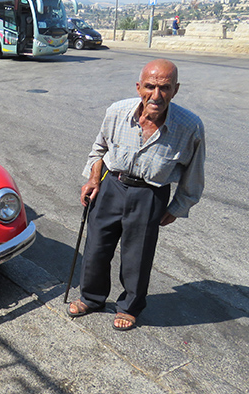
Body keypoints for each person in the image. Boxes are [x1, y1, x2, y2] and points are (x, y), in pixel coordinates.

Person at [67, 59, 205, 331]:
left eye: (164, 88)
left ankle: (129, 307)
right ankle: (91, 298)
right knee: (95, 248)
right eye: (150, 86)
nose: (156, 95)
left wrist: (177, 207)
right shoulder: (117, 112)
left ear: (175, 89)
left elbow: (194, 174)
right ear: (139, 86)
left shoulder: (190, 126)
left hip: (150, 195)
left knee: (137, 257)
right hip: (111, 186)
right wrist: (94, 179)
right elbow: (99, 148)